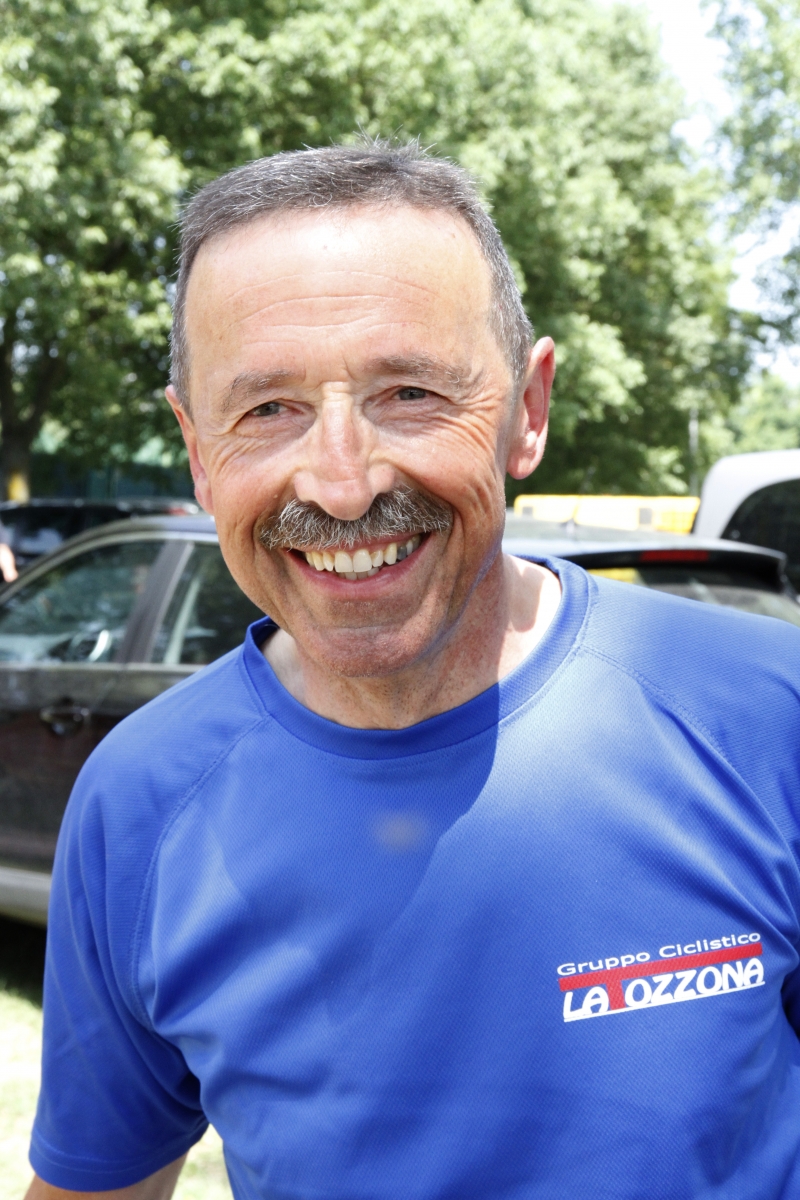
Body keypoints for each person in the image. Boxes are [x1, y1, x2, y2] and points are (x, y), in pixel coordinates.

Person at [26, 141, 800, 1200]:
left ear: (527, 410)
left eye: (409, 392)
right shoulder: (141, 802)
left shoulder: (765, 712)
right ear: (198, 451)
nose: (342, 485)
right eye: (267, 409)